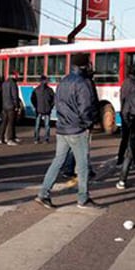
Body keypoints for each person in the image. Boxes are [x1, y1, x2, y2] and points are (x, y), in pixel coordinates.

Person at [35, 53, 103, 209]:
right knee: (83, 165)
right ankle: (83, 198)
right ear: (84, 65)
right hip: (77, 129)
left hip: (62, 128)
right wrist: (87, 124)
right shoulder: (83, 83)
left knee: (58, 161)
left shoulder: (64, 81)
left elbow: (58, 104)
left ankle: (43, 194)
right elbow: (85, 107)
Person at [117, 67, 135, 167]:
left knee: (125, 138)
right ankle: (131, 160)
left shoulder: (125, 82)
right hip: (131, 114)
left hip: (124, 112)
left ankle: (122, 159)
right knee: (132, 138)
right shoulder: (134, 85)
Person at [31, 75, 55, 143]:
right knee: (46, 125)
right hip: (46, 110)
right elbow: (54, 99)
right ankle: (46, 139)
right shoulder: (49, 90)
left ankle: (36, 139)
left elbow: (33, 99)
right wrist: (51, 106)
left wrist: (36, 106)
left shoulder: (36, 89)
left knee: (38, 125)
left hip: (39, 110)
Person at [0, 71, 22, 146]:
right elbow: (15, 96)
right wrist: (17, 106)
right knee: (11, 123)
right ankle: (10, 139)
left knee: (4, 122)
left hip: (4, 105)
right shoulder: (13, 84)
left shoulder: (4, 83)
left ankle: (1, 138)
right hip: (11, 106)